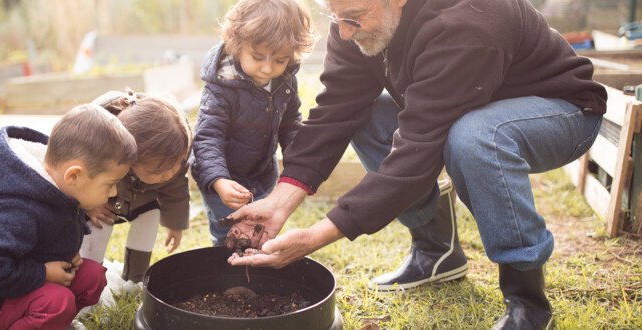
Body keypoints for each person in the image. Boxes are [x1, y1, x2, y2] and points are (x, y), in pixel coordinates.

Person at [226, 0, 607, 329]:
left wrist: (316, 236)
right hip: (466, 103)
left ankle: (528, 302)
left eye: (354, 17)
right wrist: (280, 201)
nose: (342, 32)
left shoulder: (467, 21)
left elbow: (418, 149)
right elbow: (336, 111)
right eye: (335, 16)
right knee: (371, 115)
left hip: (559, 110)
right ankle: (436, 252)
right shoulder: (352, 21)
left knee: (474, 136)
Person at [0, 104, 137, 330]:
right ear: (74, 175)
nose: (114, 192)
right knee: (57, 303)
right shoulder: (11, 208)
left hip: (25, 280)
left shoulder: (59, 188)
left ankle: (53, 323)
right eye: (110, 184)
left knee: (92, 277)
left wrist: (65, 254)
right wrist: (42, 273)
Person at [190, 0, 317, 246]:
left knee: (259, 230)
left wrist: (298, 163)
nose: (268, 68)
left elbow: (290, 123)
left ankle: (254, 273)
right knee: (228, 234)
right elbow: (208, 138)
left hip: (262, 175)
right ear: (236, 45)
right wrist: (219, 181)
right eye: (258, 57)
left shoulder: (286, 81)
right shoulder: (221, 87)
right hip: (225, 183)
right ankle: (225, 274)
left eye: (280, 60)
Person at [79, 90, 192, 284]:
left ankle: (135, 278)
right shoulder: (99, 147)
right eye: (158, 172)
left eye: (177, 164)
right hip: (101, 200)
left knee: (150, 215)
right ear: (130, 159)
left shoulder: (171, 154)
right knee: (99, 224)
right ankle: (89, 280)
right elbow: (77, 178)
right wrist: (88, 205)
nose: (169, 174)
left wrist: (175, 223)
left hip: (139, 195)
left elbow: (176, 188)